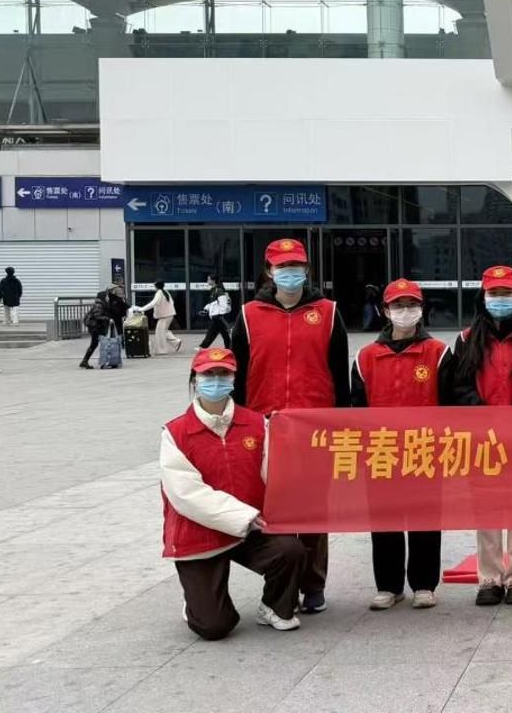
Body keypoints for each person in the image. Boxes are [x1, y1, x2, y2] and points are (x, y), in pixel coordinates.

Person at [230, 238, 350, 615]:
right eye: (282, 267)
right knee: (275, 509)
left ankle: (313, 585)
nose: (290, 273)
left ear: (306, 270)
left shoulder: (328, 313)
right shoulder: (248, 315)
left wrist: (341, 422)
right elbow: (237, 376)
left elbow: (340, 373)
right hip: (265, 426)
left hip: (316, 427)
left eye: (296, 266)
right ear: (269, 271)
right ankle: (284, 585)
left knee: (314, 509)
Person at [161, 347, 307, 639]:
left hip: (251, 527)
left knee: (290, 550)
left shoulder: (258, 424)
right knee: (214, 627)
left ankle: (274, 606)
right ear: (195, 379)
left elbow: (275, 474)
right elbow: (186, 493)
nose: (216, 380)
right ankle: (196, 603)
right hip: (200, 532)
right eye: (208, 374)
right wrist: (242, 516)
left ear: (233, 379)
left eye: (223, 374)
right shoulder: (175, 433)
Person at [443, 266, 512, 605]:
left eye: (507, 294)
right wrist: (480, 412)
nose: (500, 300)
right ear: (483, 297)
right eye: (494, 294)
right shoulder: (466, 339)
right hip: (482, 438)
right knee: (486, 507)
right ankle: (489, 577)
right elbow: (458, 385)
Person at [351, 279, 448, 611]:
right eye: (398, 306)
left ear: (421, 309)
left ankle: (424, 584)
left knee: (425, 519)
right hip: (382, 452)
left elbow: (451, 407)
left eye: (411, 305)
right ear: (385, 311)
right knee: (384, 520)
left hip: (425, 451)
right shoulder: (366, 357)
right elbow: (356, 410)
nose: (405, 312)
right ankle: (388, 586)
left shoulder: (438, 352)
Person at [137, 280, 183, 355]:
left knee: (160, 332)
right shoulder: (165, 291)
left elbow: (153, 303)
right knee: (164, 331)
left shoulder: (159, 293)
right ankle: (176, 342)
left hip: (165, 316)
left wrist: (141, 309)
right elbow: (172, 302)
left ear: (156, 286)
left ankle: (162, 350)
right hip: (169, 314)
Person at [78, 290, 114, 370]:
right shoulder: (98, 305)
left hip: (97, 327)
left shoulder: (101, 304)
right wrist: (108, 319)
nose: (108, 298)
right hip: (96, 328)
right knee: (100, 344)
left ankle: (85, 361)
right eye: (106, 296)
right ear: (103, 297)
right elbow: (97, 316)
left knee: (95, 344)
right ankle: (102, 362)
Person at [198, 276, 234, 349]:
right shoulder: (214, 290)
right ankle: (229, 347)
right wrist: (206, 309)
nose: (207, 281)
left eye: (208, 279)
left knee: (212, 332)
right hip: (217, 315)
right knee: (223, 333)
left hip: (218, 316)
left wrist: (220, 314)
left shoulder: (218, 290)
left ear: (213, 280)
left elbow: (223, 303)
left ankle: (203, 347)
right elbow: (211, 303)